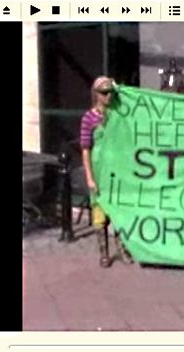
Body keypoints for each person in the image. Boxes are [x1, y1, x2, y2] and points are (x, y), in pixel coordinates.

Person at [80, 76, 133, 268]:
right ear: (96, 95)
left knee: (118, 212)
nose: (108, 96)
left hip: (117, 171)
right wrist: (89, 177)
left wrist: (120, 89)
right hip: (99, 170)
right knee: (99, 213)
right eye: (104, 92)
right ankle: (104, 253)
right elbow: (85, 149)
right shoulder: (88, 118)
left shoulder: (117, 115)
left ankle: (122, 248)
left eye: (111, 92)